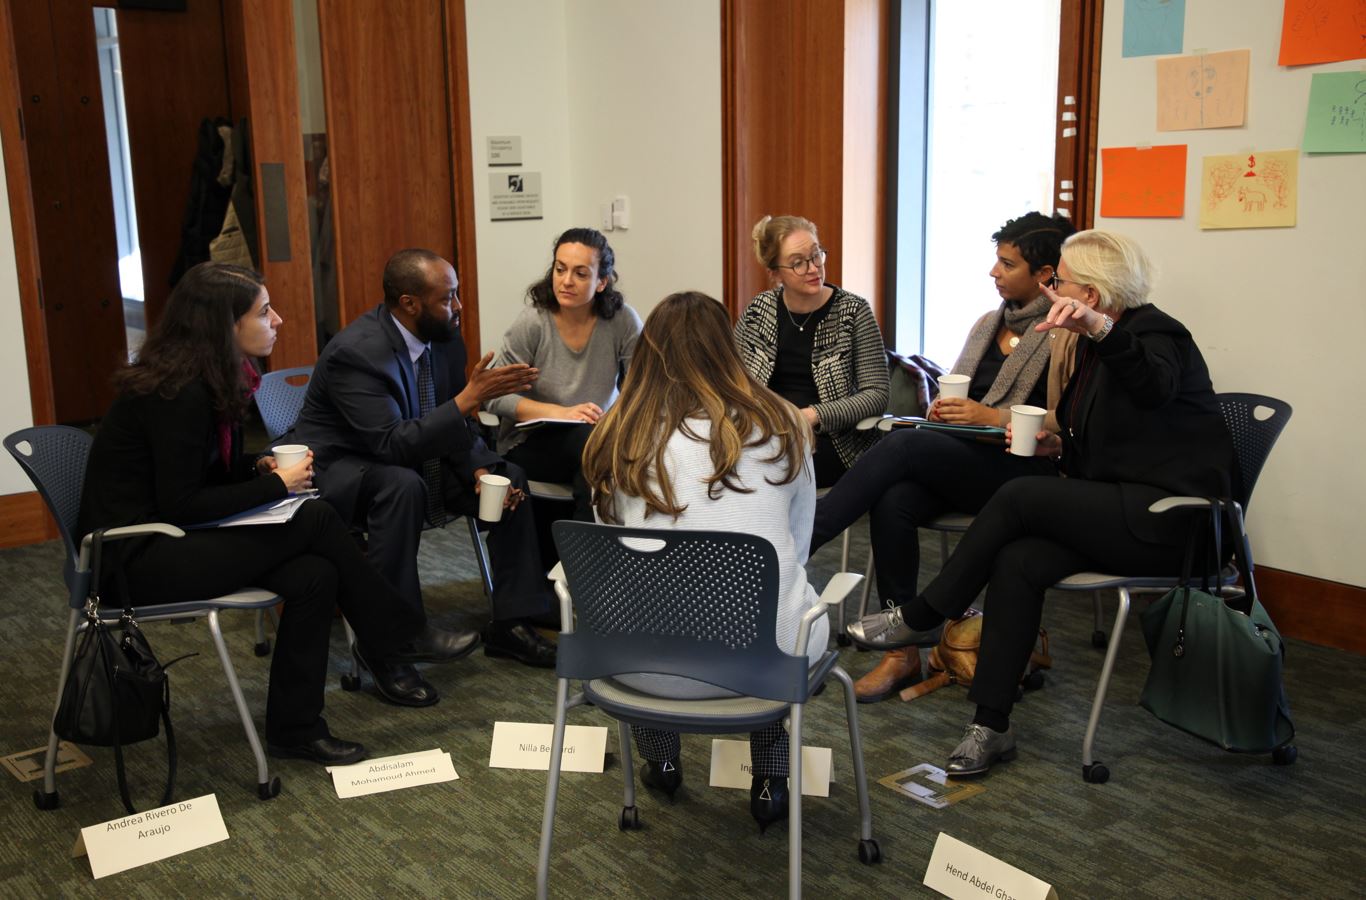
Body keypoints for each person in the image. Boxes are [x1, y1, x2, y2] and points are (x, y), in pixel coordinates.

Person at [849, 230, 1233, 777]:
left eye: (1060, 281)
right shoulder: (1094, 348)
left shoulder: (1158, 334)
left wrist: (1097, 330)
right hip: (1118, 509)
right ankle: (991, 724)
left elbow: (1153, 386)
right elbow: (1102, 431)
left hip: (1172, 522)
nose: (1051, 287)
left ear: (1091, 298)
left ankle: (923, 615)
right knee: (1019, 561)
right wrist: (1060, 441)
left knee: (1021, 494)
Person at [78, 262, 480, 766]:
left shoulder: (205, 378)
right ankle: (398, 633)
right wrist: (274, 484)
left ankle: (296, 728)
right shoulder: (177, 393)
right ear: (225, 325)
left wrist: (254, 464)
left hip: (171, 536)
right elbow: (181, 503)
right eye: (264, 311)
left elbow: (196, 473)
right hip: (132, 556)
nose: (278, 320)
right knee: (311, 519)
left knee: (315, 573)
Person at [581, 291, 825, 833]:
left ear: (647, 354)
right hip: (760, 663)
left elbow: (611, 550)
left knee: (649, 598)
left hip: (638, 666)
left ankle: (661, 759)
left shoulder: (617, 434)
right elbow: (798, 543)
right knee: (779, 608)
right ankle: (769, 774)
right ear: (729, 351)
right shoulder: (783, 423)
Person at [812, 212, 1078, 702]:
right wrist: (947, 410)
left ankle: (808, 534)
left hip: (1027, 470)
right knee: (894, 498)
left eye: (1007, 264)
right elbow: (962, 395)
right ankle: (903, 652)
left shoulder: (1066, 335)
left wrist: (986, 416)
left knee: (905, 445)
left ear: (1044, 276)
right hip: (971, 459)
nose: (993, 273)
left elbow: (1070, 424)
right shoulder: (987, 324)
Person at [290, 248, 558, 671]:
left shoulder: (444, 339)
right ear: (409, 304)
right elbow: (389, 443)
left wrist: (478, 467)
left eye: (457, 295)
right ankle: (392, 641)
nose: (458, 307)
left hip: (415, 459)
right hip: (348, 469)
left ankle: (512, 623)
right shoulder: (357, 354)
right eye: (447, 297)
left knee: (510, 477)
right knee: (400, 486)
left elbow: (452, 424)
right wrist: (469, 399)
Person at [484, 227, 642, 522]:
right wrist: (561, 412)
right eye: (560, 269)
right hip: (529, 442)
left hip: (597, 439)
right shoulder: (532, 323)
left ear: (601, 282)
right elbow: (494, 396)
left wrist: (614, 417)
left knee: (599, 454)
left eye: (581, 274)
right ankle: (589, 560)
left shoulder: (623, 321)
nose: (566, 281)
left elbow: (641, 389)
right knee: (593, 449)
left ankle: (582, 558)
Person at [735, 215, 889, 488]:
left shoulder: (853, 312)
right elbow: (734, 381)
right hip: (767, 433)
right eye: (798, 262)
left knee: (768, 471)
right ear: (775, 273)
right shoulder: (758, 312)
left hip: (834, 441)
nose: (813, 268)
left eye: (816, 255)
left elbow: (876, 395)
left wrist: (813, 416)